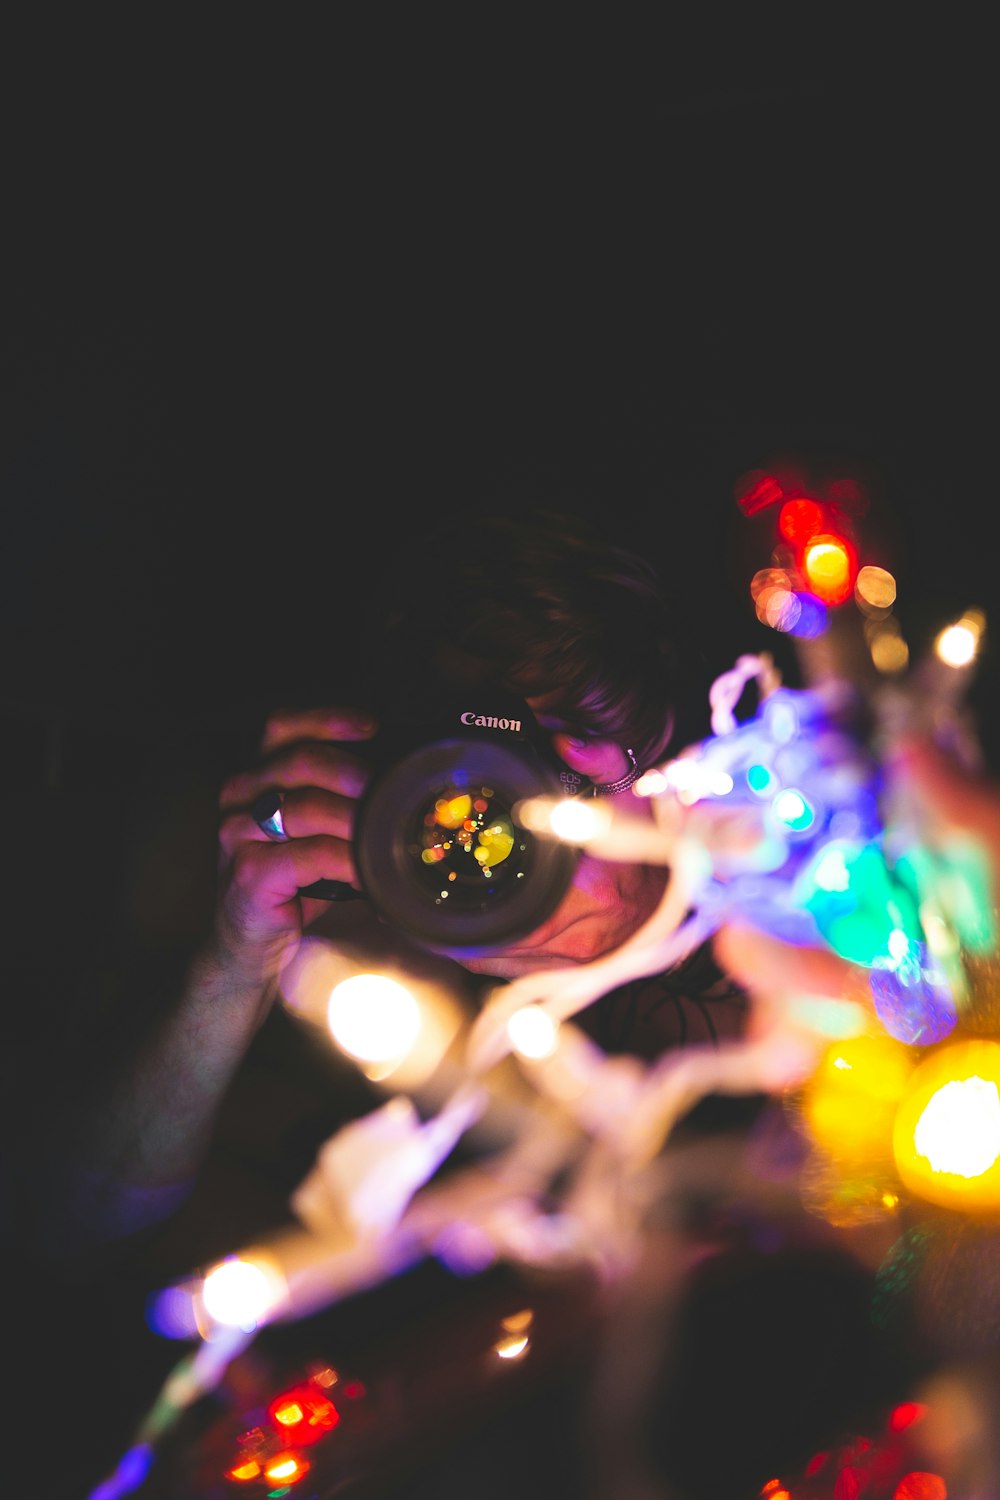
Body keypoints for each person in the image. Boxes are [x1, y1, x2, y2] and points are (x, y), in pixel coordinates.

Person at [31, 505, 749, 1268]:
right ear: (395, 771)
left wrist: (662, 936)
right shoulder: (327, 923)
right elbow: (74, 1220)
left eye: (570, 772)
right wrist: (236, 962)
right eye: (467, 783)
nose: (496, 829)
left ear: (674, 758)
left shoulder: (786, 886)